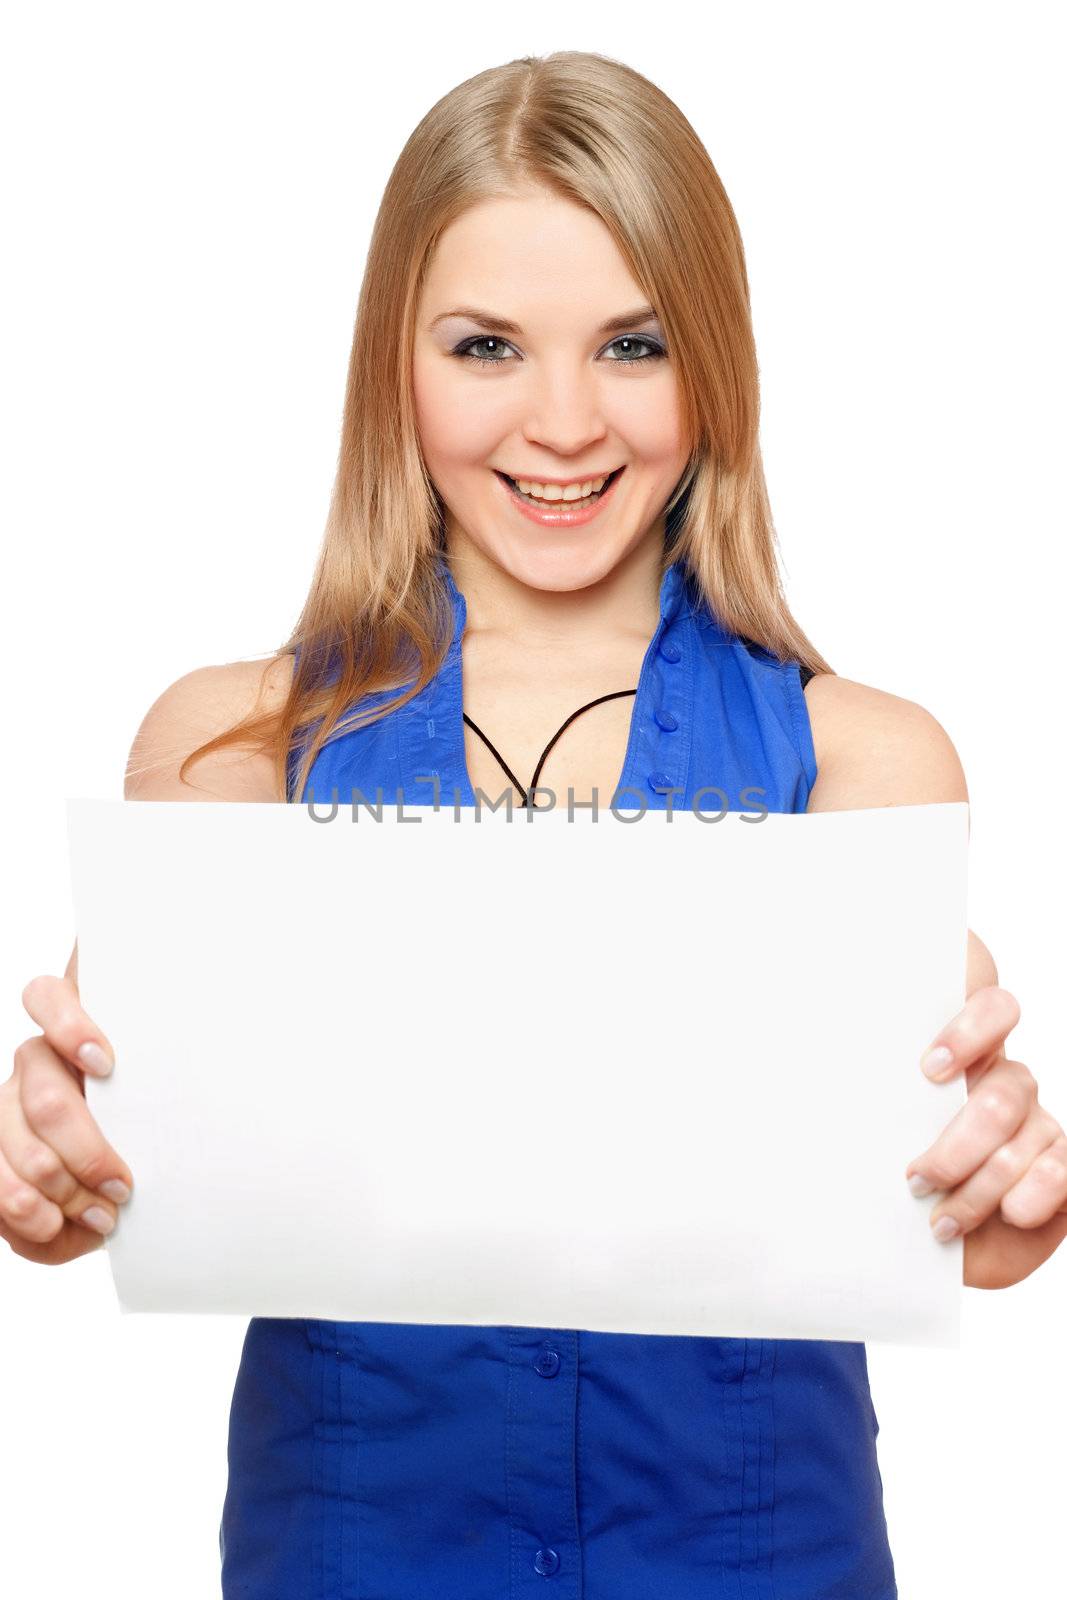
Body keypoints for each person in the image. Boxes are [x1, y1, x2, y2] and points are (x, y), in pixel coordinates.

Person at [5, 49, 1066, 1600]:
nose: (562, 422)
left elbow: (958, 1223)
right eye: (487, 345)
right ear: (397, 367)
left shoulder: (867, 763)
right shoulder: (234, 751)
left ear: (713, 368)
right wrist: (50, 1166)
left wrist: (1010, 1181)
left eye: (632, 344)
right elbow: (101, 1197)